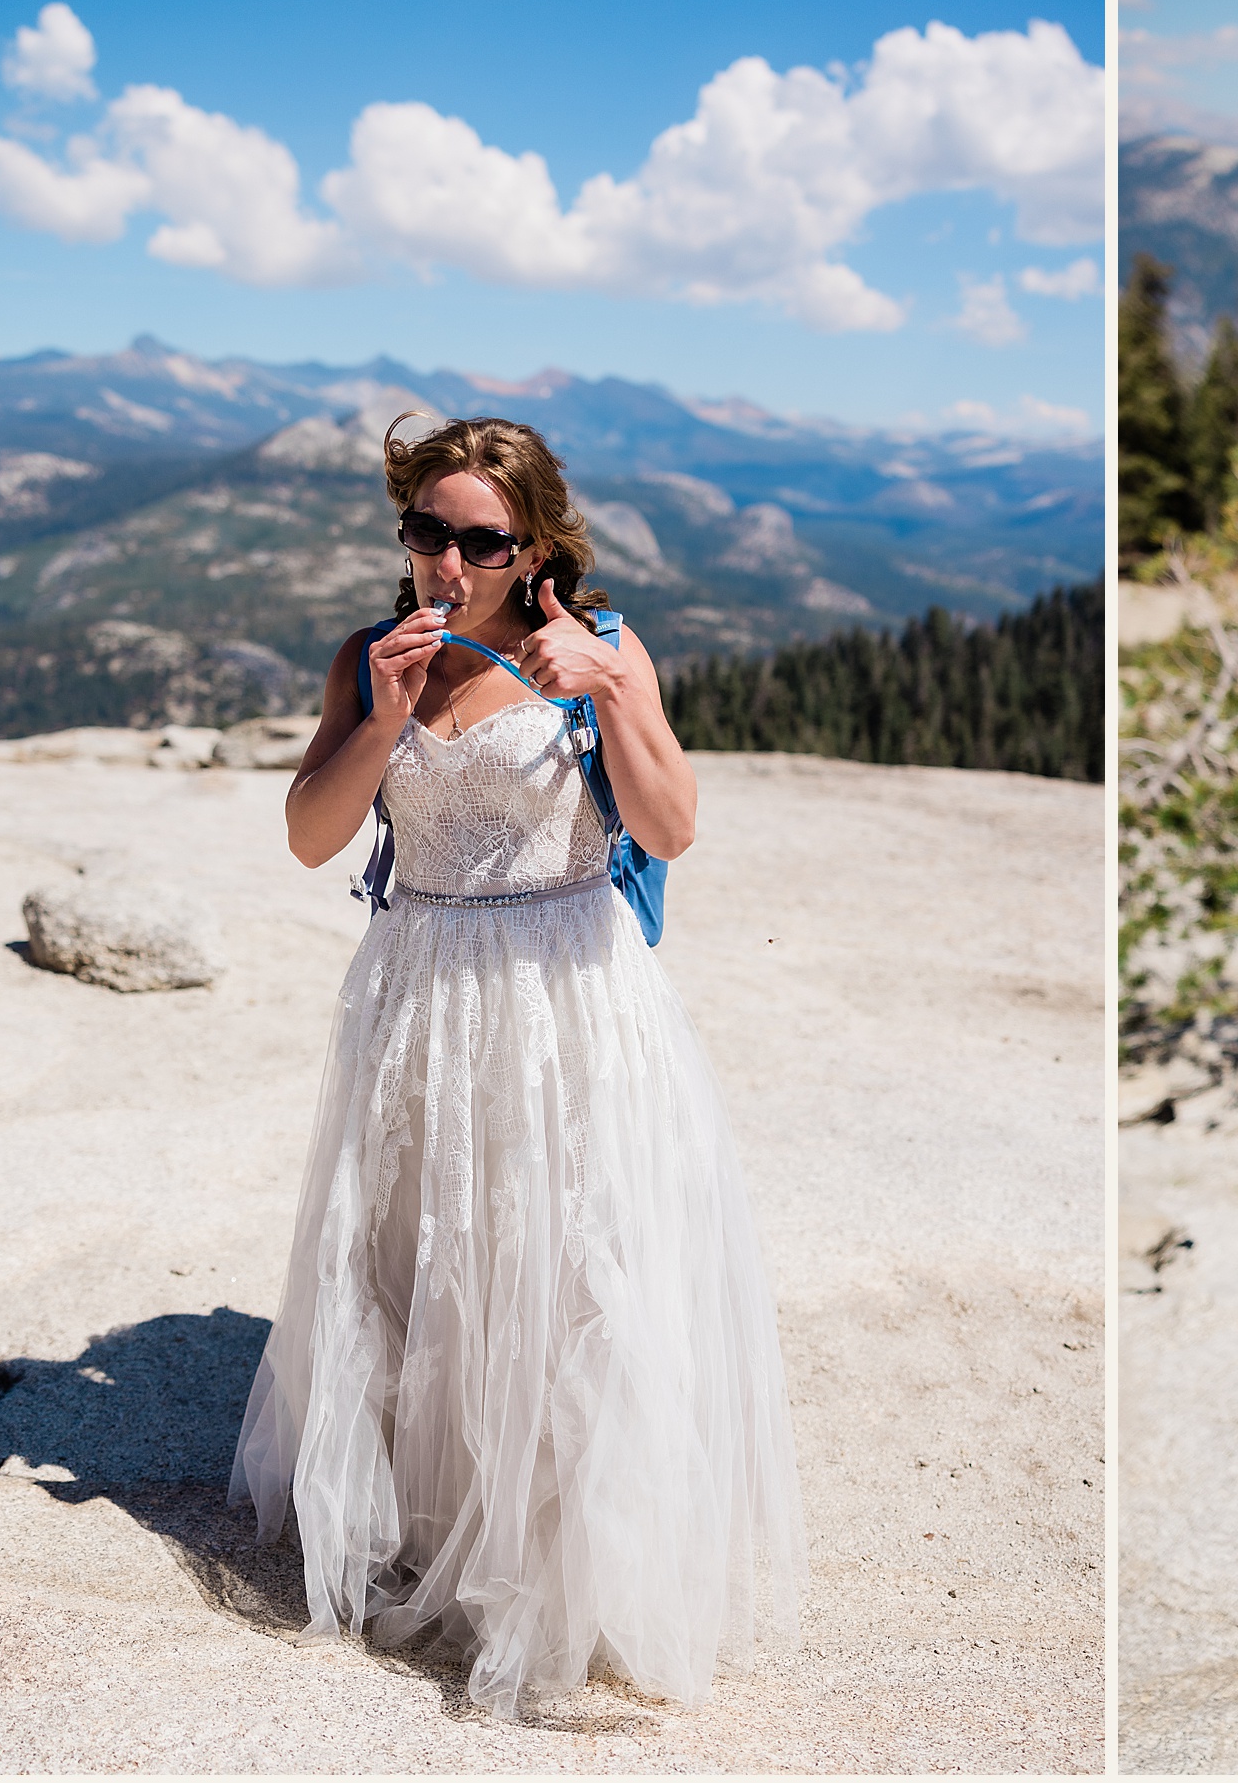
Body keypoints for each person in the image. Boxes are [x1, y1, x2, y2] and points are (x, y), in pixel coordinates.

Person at [230, 414, 806, 1717]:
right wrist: (379, 717)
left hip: (570, 1000)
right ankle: (439, 1522)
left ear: (535, 544)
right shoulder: (373, 659)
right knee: (432, 1255)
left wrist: (606, 685)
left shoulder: (600, 651)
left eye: (478, 538)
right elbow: (311, 836)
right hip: (422, 993)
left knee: (566, 1266)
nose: (446, 560)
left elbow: (673, 824)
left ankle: (567, 1565)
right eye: (425, 530)